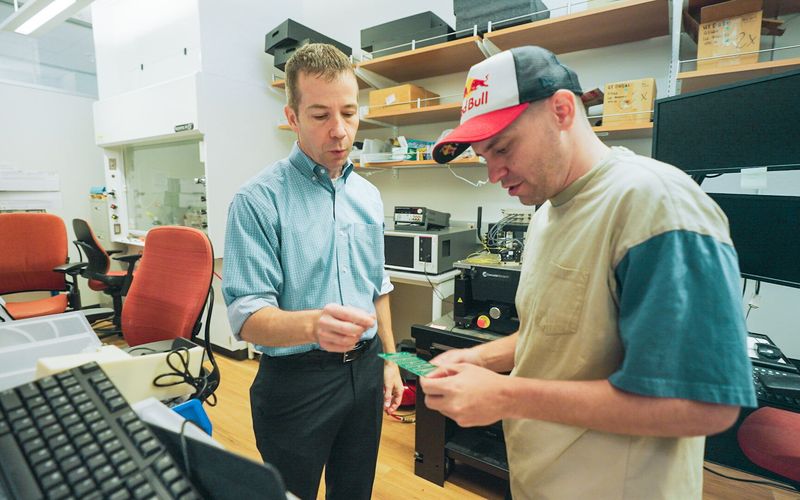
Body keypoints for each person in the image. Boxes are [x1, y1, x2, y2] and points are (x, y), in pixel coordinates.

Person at [424, 46, 757, 499]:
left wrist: (504, 396)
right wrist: (480, 359)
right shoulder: (547, 212)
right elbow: (560, 334)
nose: (494, 172)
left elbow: (701, 403)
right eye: (484, 155)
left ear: (562, 110)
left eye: (502, 148)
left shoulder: (657, 205)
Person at [222, 43, 403, 500]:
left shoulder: (368, 196)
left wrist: (391, 361)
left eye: (349, 113)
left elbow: (377, 286)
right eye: (321, 115)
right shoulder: (257, 201)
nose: (339, 130)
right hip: (296, 383)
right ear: (292, 117)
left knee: (355, 491)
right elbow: (246, 316)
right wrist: (314, 325)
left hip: (366, 371)